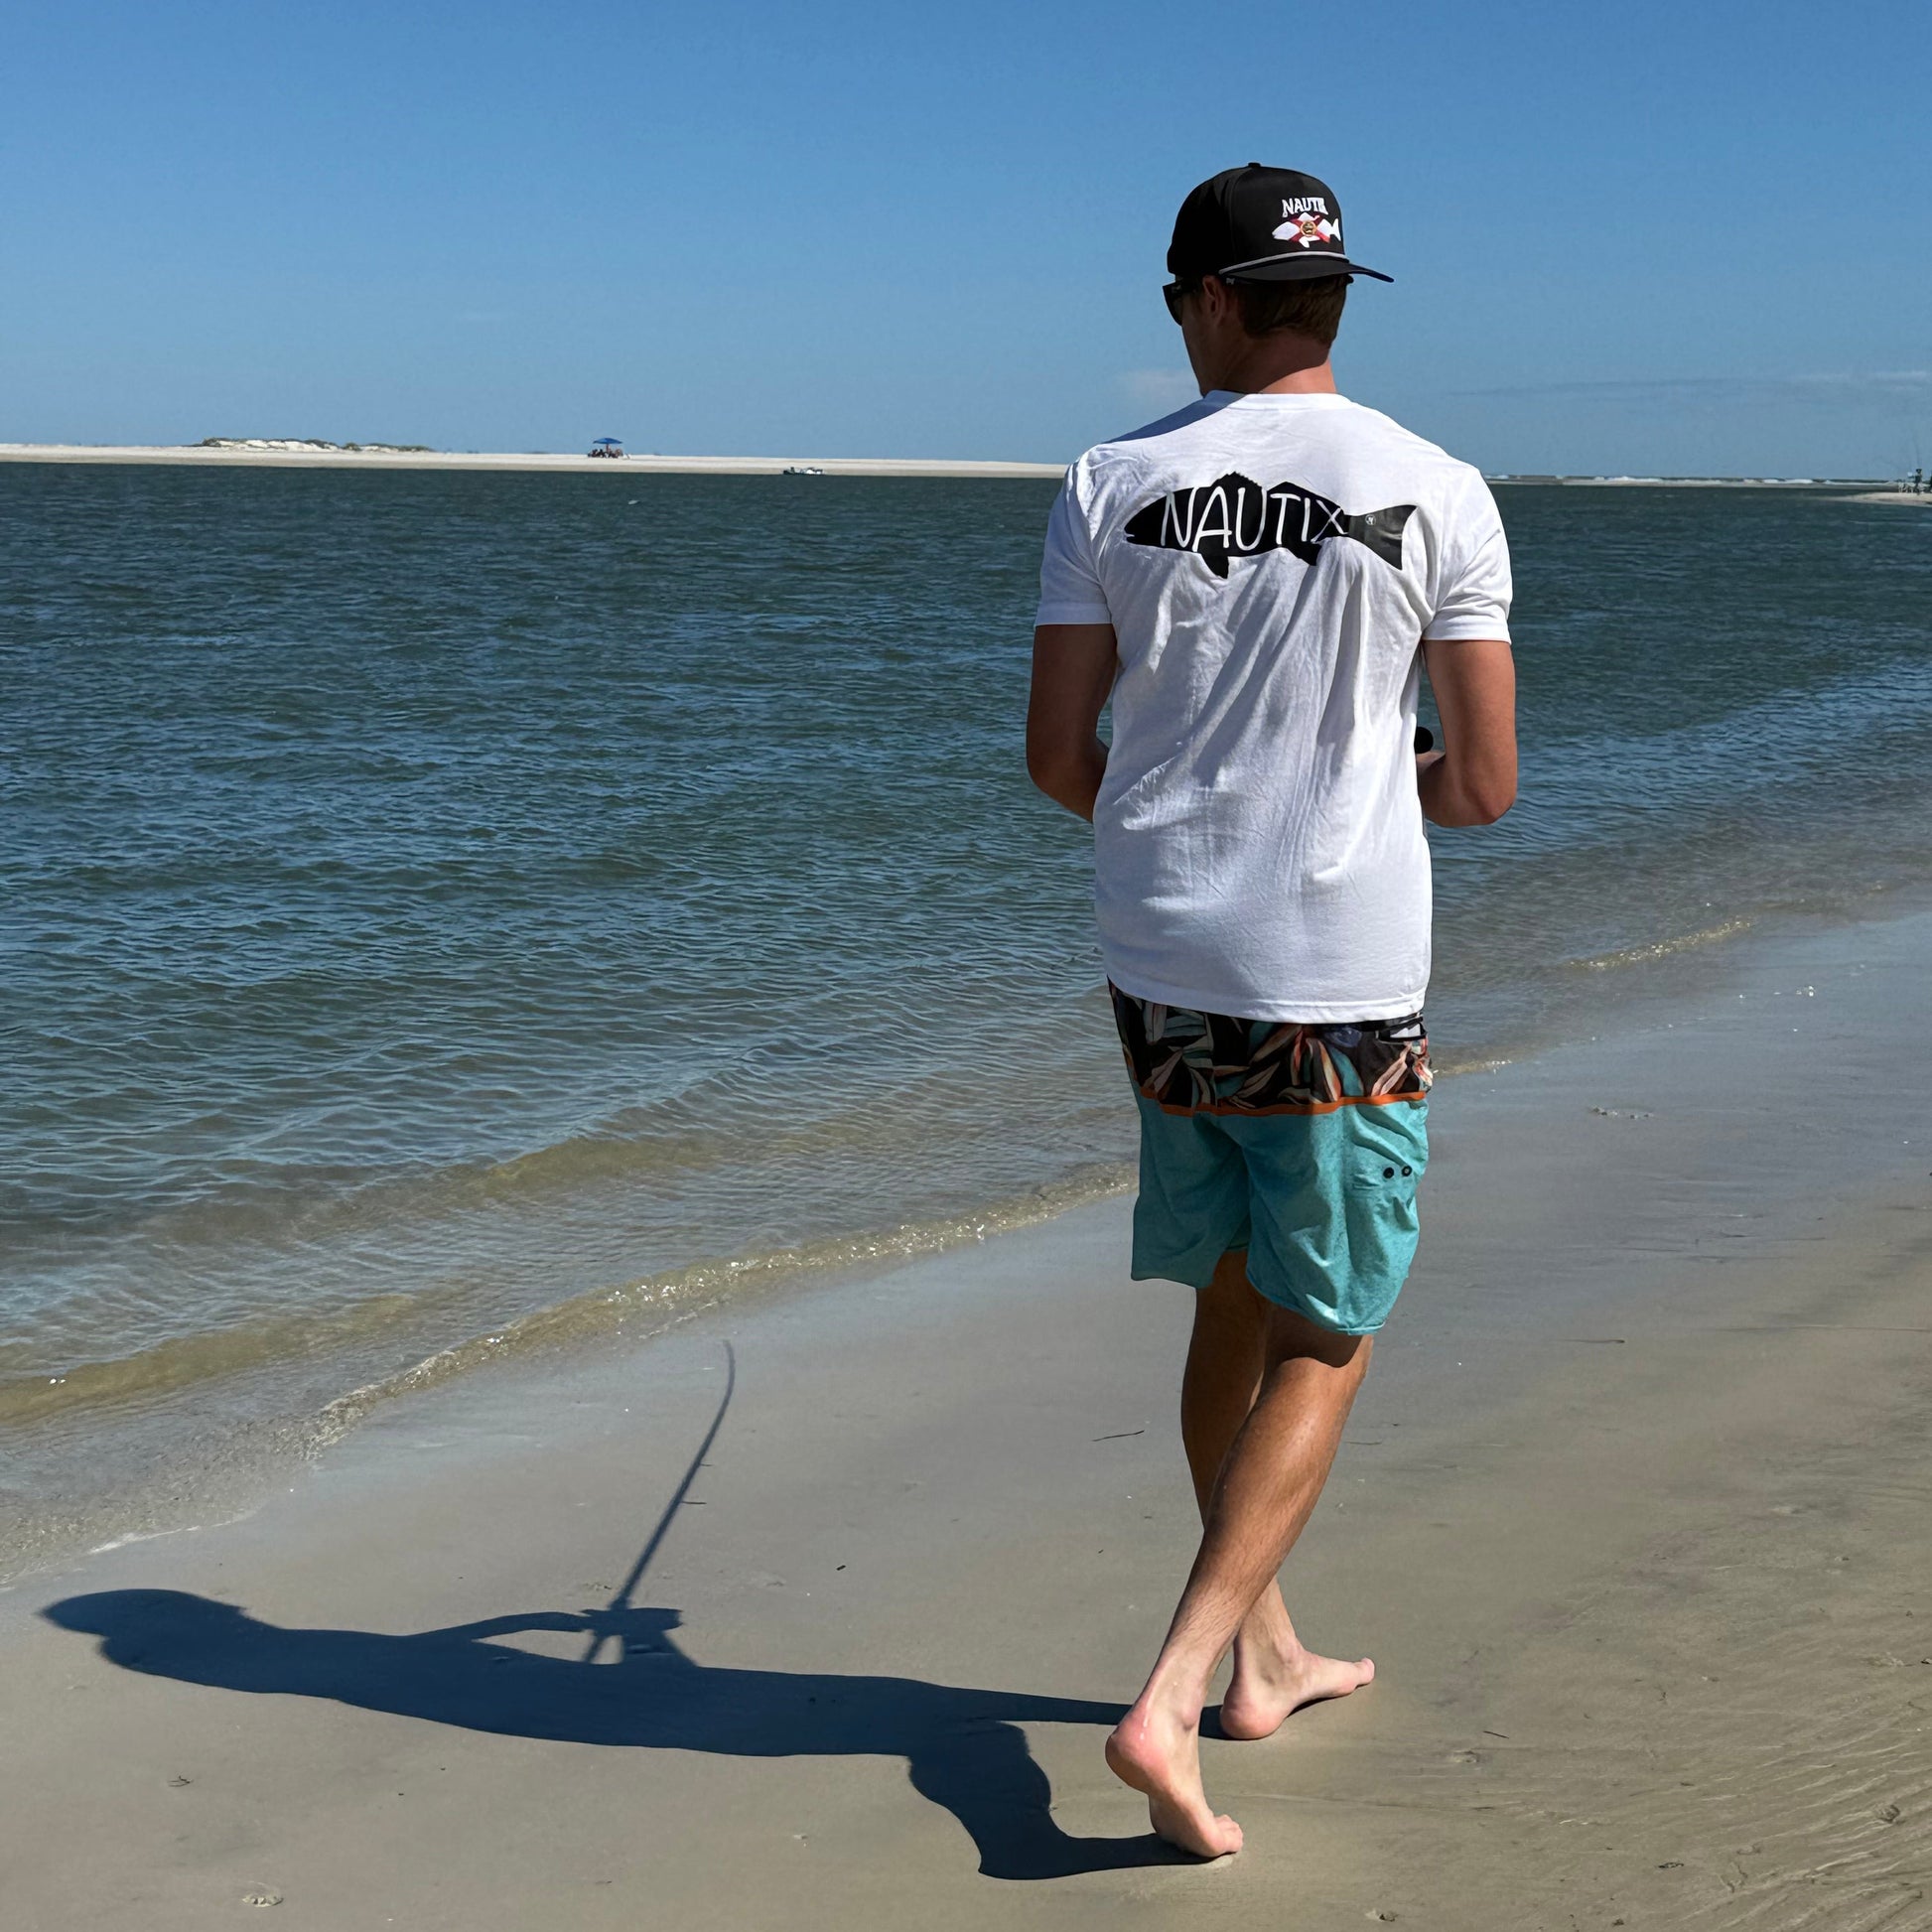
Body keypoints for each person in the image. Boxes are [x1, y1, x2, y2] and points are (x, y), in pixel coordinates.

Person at [1026, 164, 1518, 1859]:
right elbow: (1485, 788)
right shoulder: (1436, 487)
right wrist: (1377, 777)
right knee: (1328, 1331)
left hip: (1159, 957)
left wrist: (1188, 818)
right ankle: (1171, 1691)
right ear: (1322, 299)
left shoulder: (1111, 477)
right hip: (1333, 972)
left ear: (1205, 301)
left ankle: (1268, 1651)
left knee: (1232, 1298)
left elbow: (1056, 759)